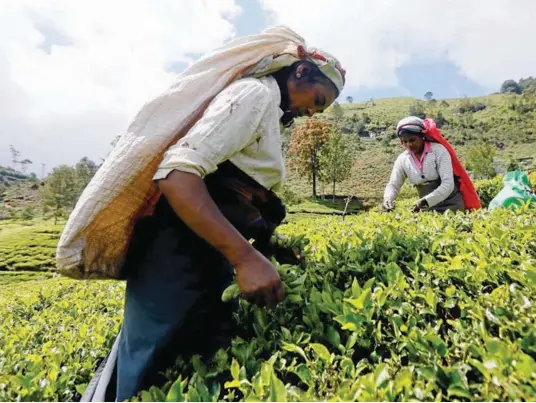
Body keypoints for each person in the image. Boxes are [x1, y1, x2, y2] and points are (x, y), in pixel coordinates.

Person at [111, 30, 345, 401]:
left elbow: (229, 186)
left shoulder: (267, 106)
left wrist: (264, 244)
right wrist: (243, 256)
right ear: (300, 72)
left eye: (320, 110)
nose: (310, 113)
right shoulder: (255, 95)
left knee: (195, 360)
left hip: (205, 250)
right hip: (175, 250)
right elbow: (178, 175)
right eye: (316, 100)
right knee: (153, 361)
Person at [383, 116, 481, 213]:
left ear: (422, 137)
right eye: (404, 142)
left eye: (412, 140)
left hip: (452, 205)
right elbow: (394, 184)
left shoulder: (438, 151)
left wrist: (426, 201)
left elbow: (448, 184)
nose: (409, 144)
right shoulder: (402, 159)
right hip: (427, 208)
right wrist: (388, 198)